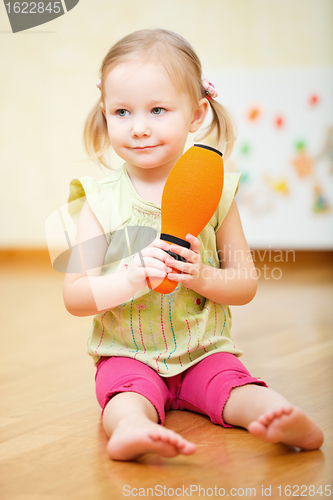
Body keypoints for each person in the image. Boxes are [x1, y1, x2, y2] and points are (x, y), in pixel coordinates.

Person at [63, 29, 324, 461]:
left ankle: (278, 413)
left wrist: (201, 275)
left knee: (235, 386)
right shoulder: (99, 201)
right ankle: (131, 428)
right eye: (122, 112)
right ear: (104, 113)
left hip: (204, 351)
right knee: (126, 395)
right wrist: (131, 277)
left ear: (197, 113)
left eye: (158, 110)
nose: (140, 127)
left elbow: (244, 285)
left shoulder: (218, 195)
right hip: (127, 356)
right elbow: (75, 297)